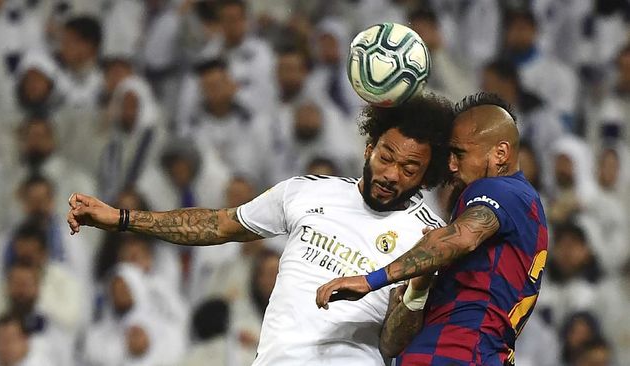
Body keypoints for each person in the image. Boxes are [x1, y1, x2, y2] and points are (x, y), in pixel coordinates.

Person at [67, 94, 455, 365]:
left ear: (426, 176)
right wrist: (122, 219)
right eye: (387, 157)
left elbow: (393, 342)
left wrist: (419, 288)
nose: (391, 174)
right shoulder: (306, 192)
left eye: (409, 169)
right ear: (369, 147)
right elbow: (217, 225)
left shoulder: (428, 238)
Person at [316, 92, 549, 366]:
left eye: (459, 153)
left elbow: (463, 237)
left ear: (500, 153)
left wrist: (371, 280)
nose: (450, 165)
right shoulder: (511, 217)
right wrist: (419, 289)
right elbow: (390, 345)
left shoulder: (503, 191)